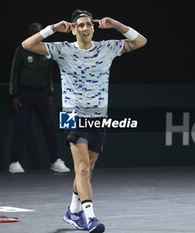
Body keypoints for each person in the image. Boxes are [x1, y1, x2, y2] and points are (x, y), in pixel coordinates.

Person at [21, 10, 147, 233]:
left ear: (94, 27)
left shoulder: (107, 48)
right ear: (73, 29)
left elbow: (140, 41)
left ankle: (72, 211)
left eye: (88, 24)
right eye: (80, 25)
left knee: (87, 169)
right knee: (81, 167)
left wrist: (116, 23)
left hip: (99, 116)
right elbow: (27, 45)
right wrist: (52, 28)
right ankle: (90, 218)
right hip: (71, 115)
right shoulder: (62, 49)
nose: (85, 28)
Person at [9, 22, 70, 174]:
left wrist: (49, 93)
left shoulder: (46, 51)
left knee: (50, 127)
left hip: (42, 93)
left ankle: (55, 160)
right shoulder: (22, 50)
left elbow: (49, 74)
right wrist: (15, 95)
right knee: (21, 127)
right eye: (34, 32)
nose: (36, 34)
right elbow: (14, 73)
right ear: (29, 34)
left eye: (39, 32)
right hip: (25, 92)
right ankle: (14, 162)